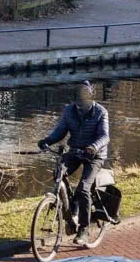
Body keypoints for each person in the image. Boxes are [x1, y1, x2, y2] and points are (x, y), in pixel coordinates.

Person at [38, 80, 109, 244]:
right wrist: (47, 141)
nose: (80, 103)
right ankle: (70, 216)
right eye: (78, 99)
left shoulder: (101, 112)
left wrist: (93, 146)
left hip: (94, 155)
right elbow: (60, 131)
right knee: (58, 173)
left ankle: (83, 229)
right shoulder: (69, 111)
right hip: (76, 151)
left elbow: (105, 136)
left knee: (84, 188)